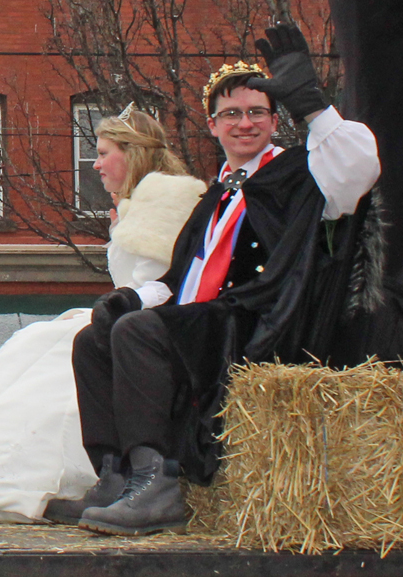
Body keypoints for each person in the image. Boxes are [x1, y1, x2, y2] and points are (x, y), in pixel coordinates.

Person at [46, 24, 381, 536]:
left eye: (256, 113)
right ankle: (116, 477)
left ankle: (157, 484)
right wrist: (133, 296)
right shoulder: (216, 193)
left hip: (257, 320)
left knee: (139, 333)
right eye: (231, 114)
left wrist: (312, 106)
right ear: (212, 125)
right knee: (96, 338)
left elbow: (360, 170)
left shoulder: (304, 173)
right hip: (200, 316)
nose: (244, 124)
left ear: (274, 119)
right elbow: (184, 274)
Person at [0, 110, 206, 523]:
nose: (95, 164)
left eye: (102, 153)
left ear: (132, 154)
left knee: (47, 359)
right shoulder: (135, 204)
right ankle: (107, 475)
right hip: (123, 317)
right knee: (31, 344)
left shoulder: (165, 201)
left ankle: (100, 477)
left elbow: (170, 284)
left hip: (148, 327)